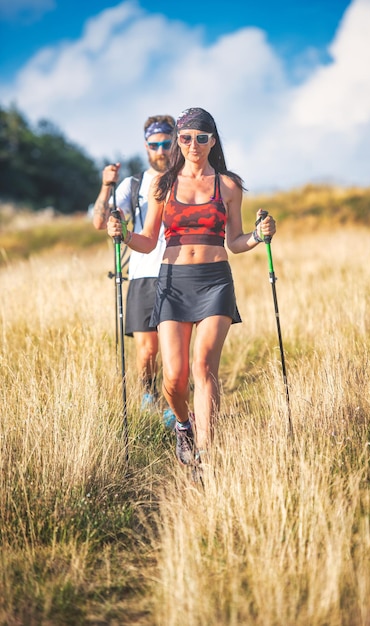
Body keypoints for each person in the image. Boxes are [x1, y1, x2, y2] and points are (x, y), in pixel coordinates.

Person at [107, 107, 276, 469]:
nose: (193, 144)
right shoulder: (162, 186)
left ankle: (204, 456)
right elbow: (149, 241)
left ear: (213, 141)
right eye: (186, 138)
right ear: (178, 142)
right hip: (172, 283)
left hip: (215, 283)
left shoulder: (228, 185)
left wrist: (260, 237)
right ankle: (183, 424)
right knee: (174, 378)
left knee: (203, 367)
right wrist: (122, 234)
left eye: (202, 138)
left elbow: (235, 241)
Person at [93, 114, 176, 427]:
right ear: (146, 147)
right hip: (142, 273)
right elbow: (100, 222)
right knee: (147, 350)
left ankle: (174, 404)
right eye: (154, 145)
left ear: (175, 142)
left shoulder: (186, 179)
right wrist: (106, 186)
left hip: (177, 272)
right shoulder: (134, 184)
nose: (161, 150)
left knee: (172, 346)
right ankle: (147, 394)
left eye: (166, 143)